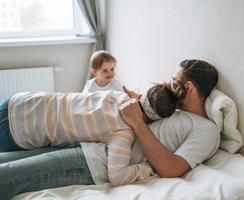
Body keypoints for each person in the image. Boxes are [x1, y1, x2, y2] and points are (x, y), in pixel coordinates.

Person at [0, 59, 219, 200]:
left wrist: (137, 122)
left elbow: (171, 169)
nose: (171, 85)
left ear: (188, 87)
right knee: (5, 159)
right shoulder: (175, 109)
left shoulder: (206, 130)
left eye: (174, 82)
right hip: (87, 140)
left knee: (8, 176)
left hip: (94, 161)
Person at [0, 82, 182, 188]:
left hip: (21, 101)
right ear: (154, 121)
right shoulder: (123, 132)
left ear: (141, 95)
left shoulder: (116, 94)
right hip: (19, 132)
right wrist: (148, 168)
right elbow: (117, 176)